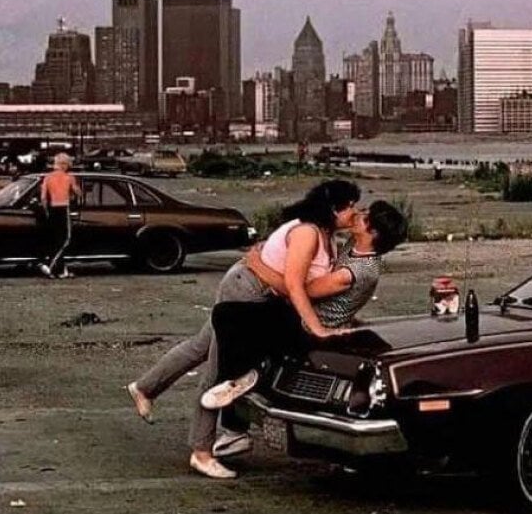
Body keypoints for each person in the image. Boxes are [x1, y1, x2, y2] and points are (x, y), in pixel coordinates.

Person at [126, 179, 361, 480]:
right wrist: (317, 328)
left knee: (201, 346)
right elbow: (294, 286)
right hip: (248, 291)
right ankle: (201, 451)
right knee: (218, 369)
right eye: (350, 205)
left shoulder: (326, 235)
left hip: (254, 287)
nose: (354, 211)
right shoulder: (307, 233)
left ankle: (145, 387)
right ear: (332, 209)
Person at [201, 200, 408, 412]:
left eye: (365, 216)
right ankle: (242, 379)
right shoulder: (354, 247)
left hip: (308, 326)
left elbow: (300, 290)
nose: (358, 214)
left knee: (225, 314)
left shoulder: (358, 271)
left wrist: (258, 265)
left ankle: (240, 385)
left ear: (373, 233)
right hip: (302, 314)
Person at [38, 153, 81, 279]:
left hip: (51, 209)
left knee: (55, 240)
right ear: (64, 164)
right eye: (68, 164)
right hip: (63, 208)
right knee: (65, 240)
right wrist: (74, 192)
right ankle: (48, 265)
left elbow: (43, 198)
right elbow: (78, 193)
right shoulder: (69, 177)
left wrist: (46, 211)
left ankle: (62, 270)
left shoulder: (47, 177)